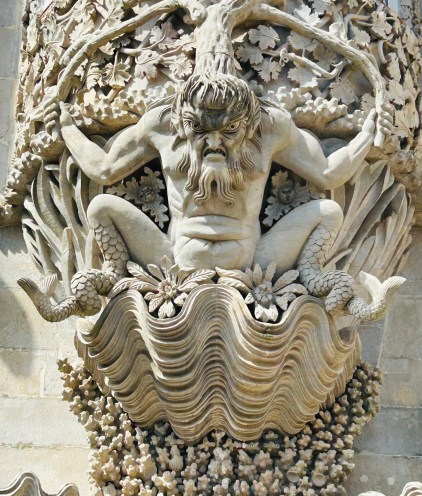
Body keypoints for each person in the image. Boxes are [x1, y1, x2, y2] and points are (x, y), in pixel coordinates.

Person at [23, 72, 393, 320]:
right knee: (101, 206)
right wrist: (66, 127)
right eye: (200, 129)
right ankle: (110, 274)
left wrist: (367, 135)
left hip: (256, 258)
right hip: (171, 257)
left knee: (328, 211)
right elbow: (104, 169)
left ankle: (314, 275)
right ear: (183, 120)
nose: (214, 141)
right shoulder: (162, 128)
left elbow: (328, 173)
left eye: (229, 130)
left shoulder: (270, 130)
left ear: (247, 123)